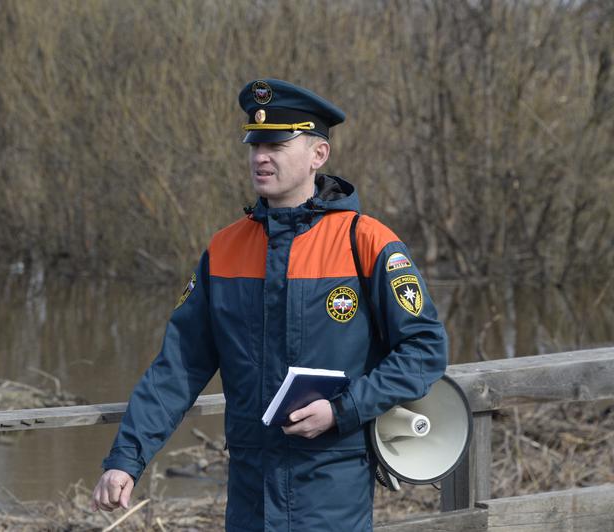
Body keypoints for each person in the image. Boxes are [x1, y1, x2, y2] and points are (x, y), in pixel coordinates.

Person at [91, 79, 448, 531]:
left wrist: (343, 410)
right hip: (250, 493)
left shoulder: (367, 242)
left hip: (331, 491)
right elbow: (178, 367)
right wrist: (126, 459)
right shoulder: (223, 250)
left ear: (319, 155)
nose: (261, 156)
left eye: (277, 145)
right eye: (255, 144)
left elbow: (424, 350)